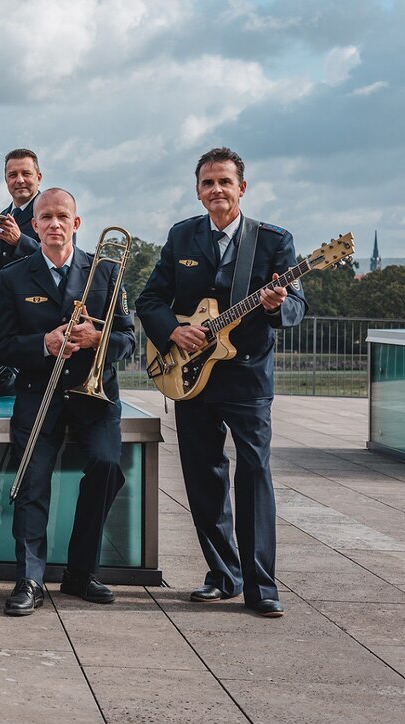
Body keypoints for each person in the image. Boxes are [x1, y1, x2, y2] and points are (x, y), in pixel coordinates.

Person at [136, 147, 307, 618]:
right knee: (203, 476)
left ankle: (261, 587)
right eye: (208, 183)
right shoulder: (181, 236)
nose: (216, 191)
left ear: (242, 189)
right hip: (191, 376)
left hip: (247, 378)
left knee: (253, 476)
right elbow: (149, 298)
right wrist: (172, 329)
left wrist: (274, 305)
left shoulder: (274, 241)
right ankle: (222, 574)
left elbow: (296, 308)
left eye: (224, 183)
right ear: (198, 190)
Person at [0, 188, 135, 616]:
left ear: (76, 224)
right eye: (45, 217)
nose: (54, 224)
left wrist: (97, 339)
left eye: (62, 216)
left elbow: (128, 340)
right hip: (40, 393)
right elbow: (2, 346)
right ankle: (30, 579)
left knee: (108, 466)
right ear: (33, 226)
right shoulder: (14, 276)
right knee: (33, 481)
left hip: (94, 395)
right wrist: (44, 343)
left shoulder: (107, 272)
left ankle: (81, 570)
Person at [0, 148, 42, 278]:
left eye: (26, 174)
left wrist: (20, 241)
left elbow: (60, 257)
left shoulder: (50, 212)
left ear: (39, 178)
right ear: (6, 180)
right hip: (7, 294)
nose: (19, 180)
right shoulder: (1, 218)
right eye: (13, 175)